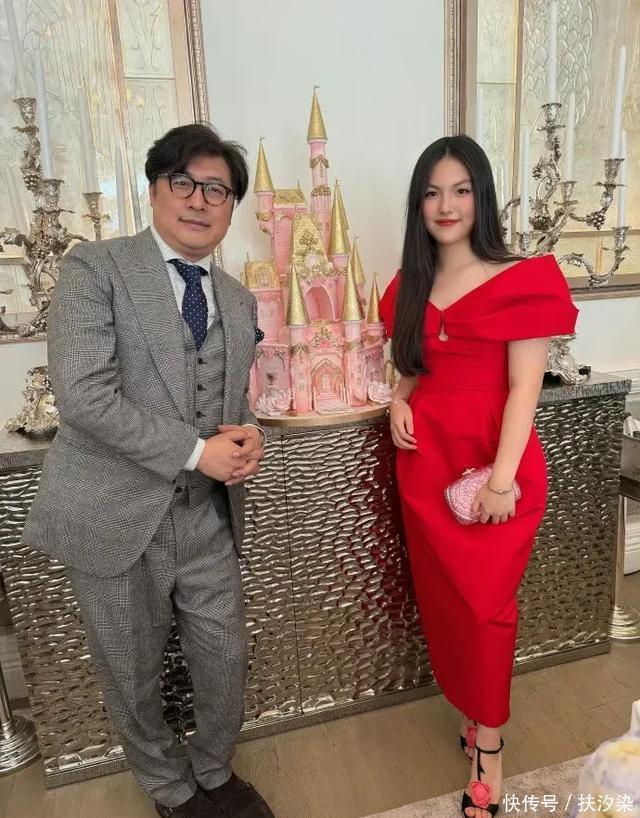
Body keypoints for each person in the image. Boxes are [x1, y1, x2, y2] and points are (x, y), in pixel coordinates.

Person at [23, 124, 274, 818]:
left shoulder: (238, 298)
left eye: (216, 190)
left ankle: (214, 770)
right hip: (114, 513)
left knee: (224, 657)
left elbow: (231, 397)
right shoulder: (95, 268)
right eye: (183, 182)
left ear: (232, 206)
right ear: (155, 188)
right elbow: (84, 395)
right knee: (130, 669)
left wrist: (248, 434)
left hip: (205, 515)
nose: (199, 200)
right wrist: (195, 451)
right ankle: (169, 788)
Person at [380, 135, 578, 818]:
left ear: (482, 197)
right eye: (432, 192)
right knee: (445, 603)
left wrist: (500, 480)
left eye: (461, 190)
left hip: (498, 466)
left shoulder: (524, 278)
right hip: (426, 464)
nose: (447, 205)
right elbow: (412, 367)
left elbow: (525, 389)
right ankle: (472, 710)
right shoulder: (407, 286)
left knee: (487, 606)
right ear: (418, 203)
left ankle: (489, 748)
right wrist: (399, 400)